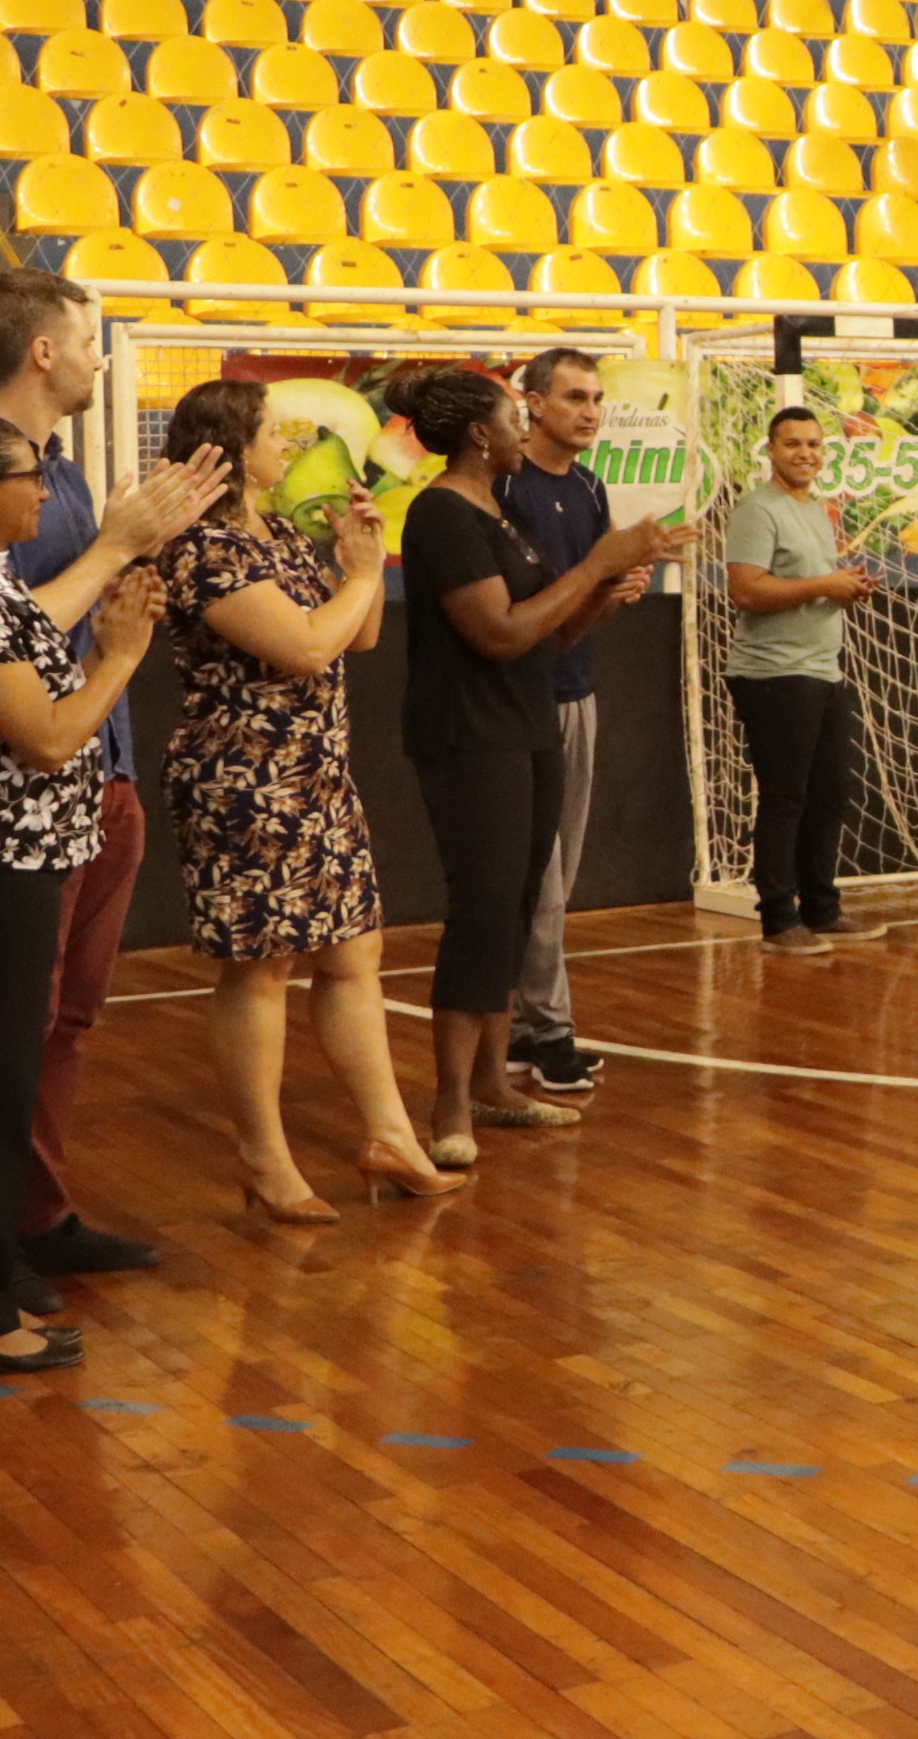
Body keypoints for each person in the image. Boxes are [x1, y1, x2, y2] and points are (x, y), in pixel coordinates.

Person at [0, 412, 195, 1373]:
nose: (43, 491)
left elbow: (41, 620)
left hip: (3, 868)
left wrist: (113, 572)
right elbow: (51, 738)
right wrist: (124, 656)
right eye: (30, 477)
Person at [151, 383, 460, 1221]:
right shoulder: (201, 550)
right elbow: (307, 644)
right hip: (243, 782)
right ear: (227, 448)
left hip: (317, 773)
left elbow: (353, 635)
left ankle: (391, 1135)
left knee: (355, 954)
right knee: (261, 967)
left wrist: (359, 561)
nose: (289, 441)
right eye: (271, 430)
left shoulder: (281, 531)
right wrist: (362, 574)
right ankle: (264, 1157)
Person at [401, 368, 690, 1164]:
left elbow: (551, 635)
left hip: (525, 727)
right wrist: (596, 563)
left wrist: (608, 588)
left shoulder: (499, 512)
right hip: (470, 736)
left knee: (519, 904)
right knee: (483, 909)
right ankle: (450, 1104)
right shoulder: (440, 513)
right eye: (511, 419)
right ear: (479, 436)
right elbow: (497, 633)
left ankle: (495, 1086)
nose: (523, 433)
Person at [501, 349, 630, 1099]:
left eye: (598, 398)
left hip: (577, 689)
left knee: (561, 872)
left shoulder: (589, 486)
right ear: (534, 404)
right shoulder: (505, 487)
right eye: (575, 396)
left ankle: (527, 1027)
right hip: (522, 699)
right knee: (538, 876)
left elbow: (592, 592)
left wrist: (621, 585)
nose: (589, 411)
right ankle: (548, 1031)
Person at [724, 405, 886, 948]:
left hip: (822, 671)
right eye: (792, 444)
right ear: (770, 451)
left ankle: (821, 908)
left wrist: (846, 586)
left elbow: (814, 583)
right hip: (774, 674)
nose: (805, 453)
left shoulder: (816, 510)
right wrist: (825, 585)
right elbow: (745, 590)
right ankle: (777, 918)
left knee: (830, 793)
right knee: (785, 796)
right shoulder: (756, 509)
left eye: (814, 444)